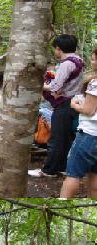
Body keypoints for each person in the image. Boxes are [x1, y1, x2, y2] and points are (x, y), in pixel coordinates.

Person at [29, 34, 84, 178]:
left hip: (64, 103)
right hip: (73, 102)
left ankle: (48, 170)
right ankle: (62, 167)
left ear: (58, 48)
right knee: (65, 138)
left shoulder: (66, 63)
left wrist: (41, 85)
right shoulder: (79, 60)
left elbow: (56, 86)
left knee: (56, 139)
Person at [60, 49, 97, 198]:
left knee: (73, 175)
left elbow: (88, 110)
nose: (92, 62)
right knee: (94, 175)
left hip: (89, 135)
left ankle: (63, 202)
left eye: (94, 59)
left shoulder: (95, 82)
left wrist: (75, 104)